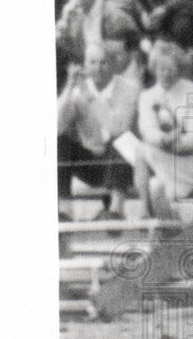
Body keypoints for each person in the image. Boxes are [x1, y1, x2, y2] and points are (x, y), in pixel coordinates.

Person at [114, 41, 193, 220]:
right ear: (154, 68)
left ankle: (161, 204)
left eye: (170, 68)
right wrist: (164, 140)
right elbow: (148, 130)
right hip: (162, 151)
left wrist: (173, 143)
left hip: (189, 157)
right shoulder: (147, 96)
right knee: (139, 150)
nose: (165, 73)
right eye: (161, 68)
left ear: (179, 68)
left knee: (150, 164)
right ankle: (146, 210)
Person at [57, 42, 140, 218]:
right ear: (85, 65)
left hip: (123, 165)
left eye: (103, 62)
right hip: (91, 164)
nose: (98, 68)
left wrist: (92, 98)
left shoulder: (129, 89)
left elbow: (118, 128)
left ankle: (115, 210)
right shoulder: (79, 90)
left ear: (113, 65)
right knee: (60, 142)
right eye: (92, 63)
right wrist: (69, 87)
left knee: (123, 140)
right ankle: (64, 209)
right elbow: (56, 127)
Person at [55, 0, 138, 91]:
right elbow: (79, 54)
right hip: (94, 78)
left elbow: (119, 64)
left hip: (120, 82)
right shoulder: (76, 16)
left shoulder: (114, 17)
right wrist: (62, 35)